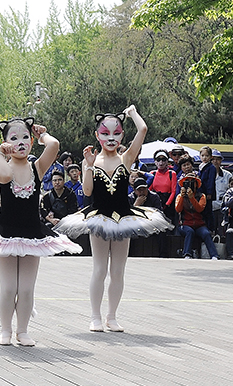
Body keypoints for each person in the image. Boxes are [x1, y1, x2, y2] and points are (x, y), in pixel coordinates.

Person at [0, 119, 81, 346]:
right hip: (5, 233)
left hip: (33, 233)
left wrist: (42, 134)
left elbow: (54, 146)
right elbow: (4, 176)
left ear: (32, 141)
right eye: (13, 138)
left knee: (26, 288)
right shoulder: (2, 165)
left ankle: (22, 331)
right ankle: (5, 330)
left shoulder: (37, 167)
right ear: (5, 143)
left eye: (25, 137)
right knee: (8, 287)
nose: (20, 142)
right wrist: (0, 153)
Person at [54, 107, 171, 333]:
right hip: (99, 218)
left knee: (118, 270)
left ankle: (112, 316)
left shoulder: (126, 158)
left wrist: (133, 113)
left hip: (124, 218)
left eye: (116, 133)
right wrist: (87, 166)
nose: (111, 138)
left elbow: (143, 129)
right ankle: (95, 316)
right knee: (99, 268)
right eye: (105, 133)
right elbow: (87, 192)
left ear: (122, 136)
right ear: (97, 135)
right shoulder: (93, 161)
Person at [175, 174, 219, 259]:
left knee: (206, 233)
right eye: (187, 182)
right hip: (185, 224)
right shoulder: (180, 196)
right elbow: (178, 209)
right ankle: (187, 254)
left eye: (192, 182)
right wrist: (182, 197)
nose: (190, 184)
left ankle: (214, 255)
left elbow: (199, 209)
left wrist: (192, 198)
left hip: (200, 225)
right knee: (189, 232)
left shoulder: (202, 196)